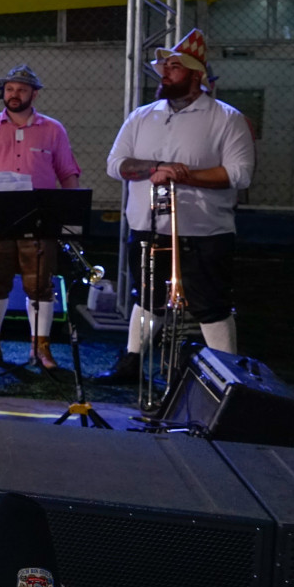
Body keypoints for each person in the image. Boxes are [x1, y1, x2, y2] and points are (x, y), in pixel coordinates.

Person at [97, 30, 254, 383]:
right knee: (147, 298)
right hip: (147, 225)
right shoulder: (141, 116)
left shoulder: (226, 118)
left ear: (196, 75)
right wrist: (156, 168)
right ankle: (132, 362)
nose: (164, 73)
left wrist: (182, 175)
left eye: (174, 67)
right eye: (164, 67)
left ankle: (227, 375)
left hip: (204, 230)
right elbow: (115, 164)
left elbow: (240, 174)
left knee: (210, 304)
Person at [0, 64, 82, 371]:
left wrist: (70, 218)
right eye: (10, 89)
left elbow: (68, 174)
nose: (14, 95)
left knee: (40, 285)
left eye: (22, 90)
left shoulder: (53, 129)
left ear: (34, 94)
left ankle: (41, 348)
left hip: (39, 218)